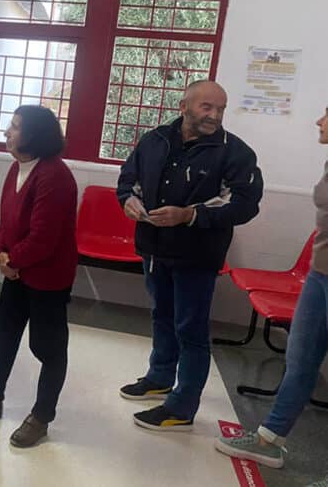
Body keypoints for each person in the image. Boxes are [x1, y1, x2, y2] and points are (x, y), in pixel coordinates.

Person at [117, 80, 263, 430]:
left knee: (191, 330)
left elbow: (245, 205)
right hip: (154, 248)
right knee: (162, 316)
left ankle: (181, 408)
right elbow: (128, 180)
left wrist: (189, 215)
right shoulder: (154, 140)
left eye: (220, 109)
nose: (215, 115)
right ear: (183, 107)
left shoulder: (235, 153)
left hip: (197, 256)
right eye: (206, 107)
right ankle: (160, 377)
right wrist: (128, 201)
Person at [0, 106, 77, 448]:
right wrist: (1, 254)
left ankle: (41, 417)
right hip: (18, 271)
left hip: (47, 277)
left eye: (15, 126)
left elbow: (45, 237)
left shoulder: (55, 176)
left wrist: (14, 260)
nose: (7, 131)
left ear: (35, 135)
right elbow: (6, 221)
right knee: (3, 333)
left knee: (48, 348)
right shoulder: (17, 167)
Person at [214, 107, 328, 482]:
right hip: (320, 274)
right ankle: (269, 440)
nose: (319, 121)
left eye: (327, 114)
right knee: (300, 359)